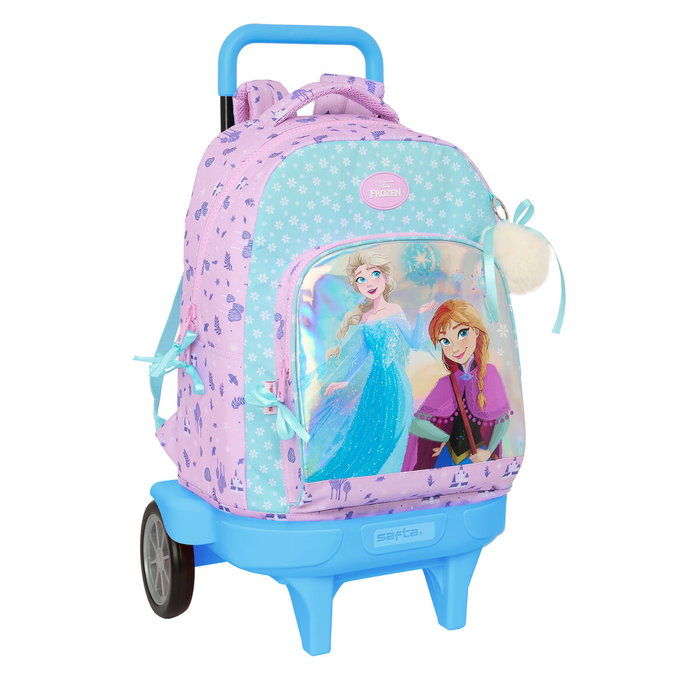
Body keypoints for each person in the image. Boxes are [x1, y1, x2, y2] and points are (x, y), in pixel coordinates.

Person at [304, 250, 436, 482]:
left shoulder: (394, 311)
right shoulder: (365, 319)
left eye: (374, 274)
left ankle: (391, 478)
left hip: (395, 380)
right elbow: (362, 356)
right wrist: (346, 380)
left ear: (385, 277)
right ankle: (369, 479)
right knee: (368, 430)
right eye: (361, 279)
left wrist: (419, 316)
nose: (369, 283)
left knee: (392, 429)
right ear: (357, 286)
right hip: (374, 381)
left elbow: (415, 342)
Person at [402, 299, 512, 471]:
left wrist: (488, 451)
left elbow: (502, 420)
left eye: (462, 333)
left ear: (476, 331)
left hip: (478, 458)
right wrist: (445, 437)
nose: (455, 348)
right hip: (448, 458)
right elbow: (417, 424)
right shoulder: (446, 383)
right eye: (445, 341)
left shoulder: (489, 373)